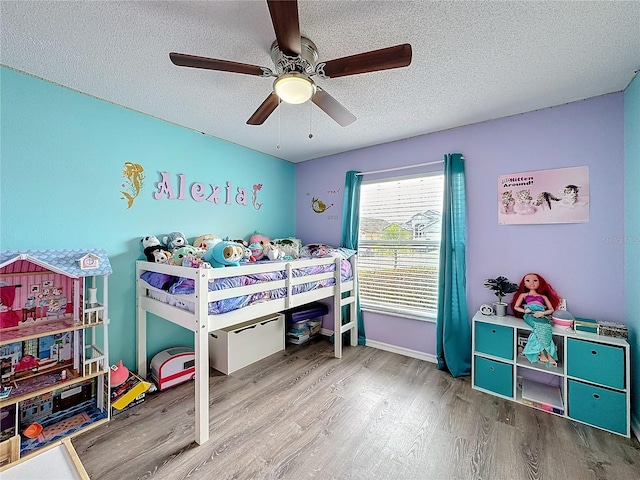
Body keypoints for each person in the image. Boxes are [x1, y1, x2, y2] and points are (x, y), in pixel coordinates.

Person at [510, 273, 560, 366]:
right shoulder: (524, 295)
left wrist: (543, 313)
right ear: (524, 284)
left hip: (541, 315)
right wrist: (525, 311)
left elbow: (551, 309)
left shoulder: (543, 297)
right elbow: (516, 307)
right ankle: (544, 353)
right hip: (530, 315)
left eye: (535, 280)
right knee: (538, 326)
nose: (531, 283)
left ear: (540, 283)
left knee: (546, 328)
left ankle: (546, 354)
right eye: (528, 281)